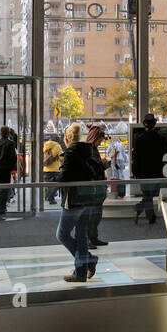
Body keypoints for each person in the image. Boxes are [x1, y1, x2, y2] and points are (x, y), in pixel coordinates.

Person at [56, 121, 100, 283]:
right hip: (88, 199)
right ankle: (80, 273)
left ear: (67, 139)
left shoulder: (70, 154)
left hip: (74, 200)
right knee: (81, 236)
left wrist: (56, 178)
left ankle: (88, 259)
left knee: (62, 234)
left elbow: (65, 177)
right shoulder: (87, 151)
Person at [132, 113, 167, 225]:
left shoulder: (140, 139)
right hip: (159, 171)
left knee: (147, 196)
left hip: (145, 172)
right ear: (155, 124)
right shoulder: (161, 138)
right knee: (157, 193)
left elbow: (136, 158)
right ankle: (146, 212)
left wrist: (135, 172)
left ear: (144, 124)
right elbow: (166, 155)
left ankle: (148, 215)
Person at [85, 125, 109, 249]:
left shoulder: (91, 149)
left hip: (96, 186)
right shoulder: (90, 150)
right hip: (94, 186)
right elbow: (93, 168)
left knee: (96, 214)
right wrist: (104, 165)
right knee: (93, 215)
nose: (100, 143)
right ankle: (90, 238)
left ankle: (93, 237)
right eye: (100, 140)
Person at [0, 125, 17, 219]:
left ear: (1, 133)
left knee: (0, 190)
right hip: (4, 169)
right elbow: (13, 157)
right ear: (8, 133)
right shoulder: (10, 143)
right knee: (4, 190)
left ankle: (2, 209)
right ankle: (0, 211)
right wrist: (11, 169)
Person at [43, 134, 63, 206]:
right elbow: (61, 157)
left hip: (45, 168)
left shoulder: (45, 145)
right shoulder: (57, 146)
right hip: (55, 169)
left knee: (48, 185)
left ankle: (47, 196)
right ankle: (50, 198)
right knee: (57, 184)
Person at [107, 133, 128, 199]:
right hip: (120, 161)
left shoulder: (111, 145)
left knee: (115, 176)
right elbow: (124, 154)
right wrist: (125, 161)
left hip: (114, 161)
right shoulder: (121, 144)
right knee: (121, 175)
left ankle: (116, 192)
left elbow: (108, 153)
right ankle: (122, 193)